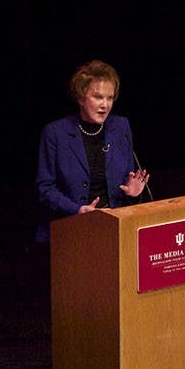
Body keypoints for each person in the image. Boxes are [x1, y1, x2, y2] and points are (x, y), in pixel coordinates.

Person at [35, 59, 149, 244]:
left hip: (115, 229)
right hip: (71, 230)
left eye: (110, 98)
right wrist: (77, 209)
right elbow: (45, 189)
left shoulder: (121, 127)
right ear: (80, 98)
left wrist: (133, 193)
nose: (105, 105)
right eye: (98, 97)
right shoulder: (56, 133)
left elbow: (126, 182)